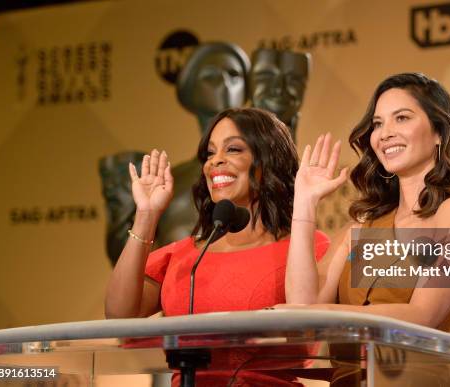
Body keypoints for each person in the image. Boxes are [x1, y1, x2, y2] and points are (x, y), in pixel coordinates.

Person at [104, 107, 329, 386]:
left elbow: (306, 330)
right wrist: (146, 215)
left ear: (268, 160)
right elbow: (118, 317)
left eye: (233, 149)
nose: (215, 162)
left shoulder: (308, 248)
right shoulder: (183, 255)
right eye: (210, 153)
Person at [284, 72, 450, 331]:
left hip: (419, 372)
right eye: (378, 123)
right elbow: (303, 307)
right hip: (350, 373)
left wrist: (321, 312)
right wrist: (305, 203)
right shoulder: (360, 227)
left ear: (439, 132)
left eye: (401, 118)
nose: (384, 134)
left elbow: (424, 314)